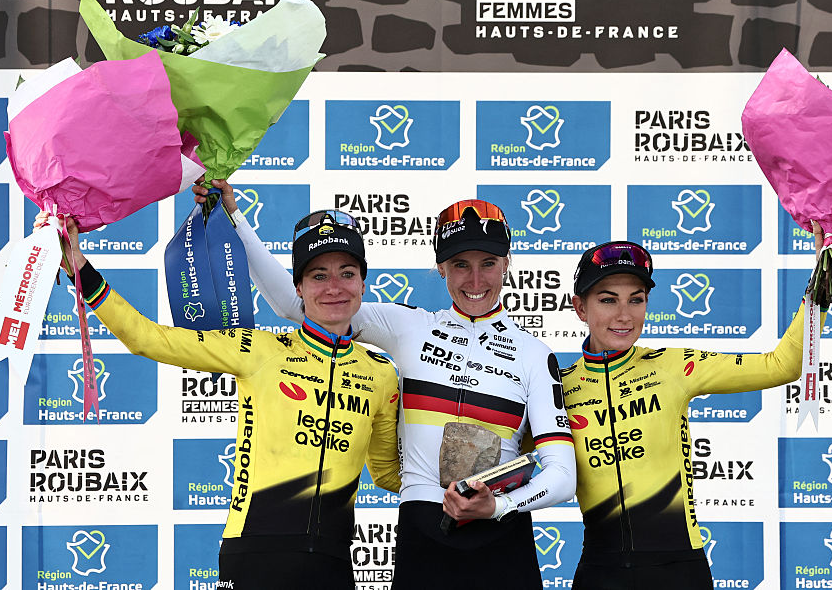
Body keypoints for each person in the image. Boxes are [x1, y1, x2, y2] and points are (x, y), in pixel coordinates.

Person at [194, 181, 576, 589]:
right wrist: (234, 219)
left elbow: (562, 475)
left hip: (502, 537)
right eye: (460, 264)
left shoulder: (534, 354)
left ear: (507, 263)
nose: (476, 279)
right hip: (423, 534)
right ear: (441, 267)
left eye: (488, 263)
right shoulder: (409, 326)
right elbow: (298, 304)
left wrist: (498, 505)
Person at [36, 208, 399, 590]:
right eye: (318, 275)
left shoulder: (381, 374)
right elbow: (146, 338)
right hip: (255, 554)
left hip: (333, 563)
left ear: (363, 283)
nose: (334, 287)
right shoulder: (258, 350)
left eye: (347, 273)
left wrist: (444, 488)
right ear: (298, 287)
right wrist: (79, 266)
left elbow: (387, 473)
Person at [562, 220, 832, 589]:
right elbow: (516, 464)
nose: (624, 315)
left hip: (678, 570)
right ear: (580, 307)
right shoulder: (559, 388)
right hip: (600, 572)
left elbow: (783, 365)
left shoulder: (673, 366)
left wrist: (823, 281)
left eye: (636, 299)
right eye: (608, 299)